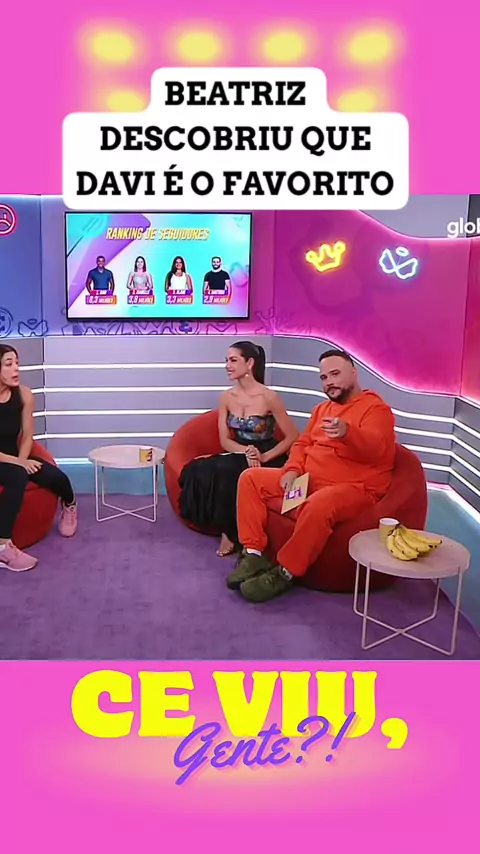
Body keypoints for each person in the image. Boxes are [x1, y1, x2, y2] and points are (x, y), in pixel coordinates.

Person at [228, 349, 396, 602]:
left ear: (354, 373)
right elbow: (302, 443)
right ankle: (253, 553)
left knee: (319, 504)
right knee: (250, 478)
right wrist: (292, 469)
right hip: (310, 479)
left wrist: (348, 432)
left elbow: (376, 448)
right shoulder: (321, 409)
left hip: (354, 486)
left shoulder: (376, 409)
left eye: (335, 374)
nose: (329, 382)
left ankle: (286, 571)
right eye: (324, 377)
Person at [179, 341, 299, 556]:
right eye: (226, 360)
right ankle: (227, 528)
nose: (227, 365)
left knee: (231, 472)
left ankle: (231, 533)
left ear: (250, 363)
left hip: (268, 453)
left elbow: (292, 436)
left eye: (233, 360)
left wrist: (263, 456)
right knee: (199, 469)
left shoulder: (269, 397)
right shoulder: (226, 397)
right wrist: (246, 451)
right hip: (239, 449)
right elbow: (225, 440)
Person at [0, 345, 78, 572]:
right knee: (17, 476)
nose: (16, 369)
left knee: (56, 477)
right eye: (8, 364)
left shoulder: (24, 394)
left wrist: (22, 460)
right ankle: (3, 547)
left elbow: (27, 436)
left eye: (17, 363)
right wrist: (20, 464)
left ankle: (70, 505)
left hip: (16, 457)